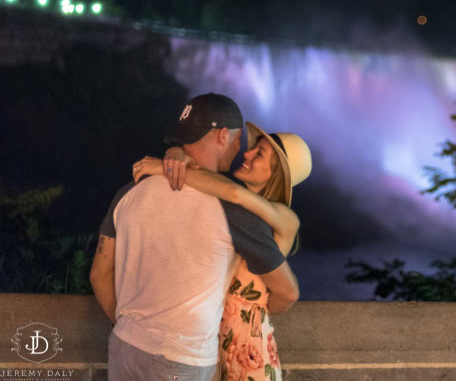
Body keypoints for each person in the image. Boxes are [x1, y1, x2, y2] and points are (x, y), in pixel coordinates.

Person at [90, 93, 301, 381]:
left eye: (258, 152)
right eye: (241, 141)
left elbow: (99, 274)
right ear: (222, 136)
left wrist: (134, 330)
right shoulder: (234, 212)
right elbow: (287, 292)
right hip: (182, 359)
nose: (244, 151)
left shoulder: (130, 190)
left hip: (125, 348)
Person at [132, 120, 312, 381]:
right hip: (215, 351)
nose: (247, 153)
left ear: (276, 173)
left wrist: (255, 310)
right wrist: (176, 155)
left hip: (252, 357)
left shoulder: (285, 217)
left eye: (259, 153)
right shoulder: (230, 208)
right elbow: (213, 184)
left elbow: (288, 295)